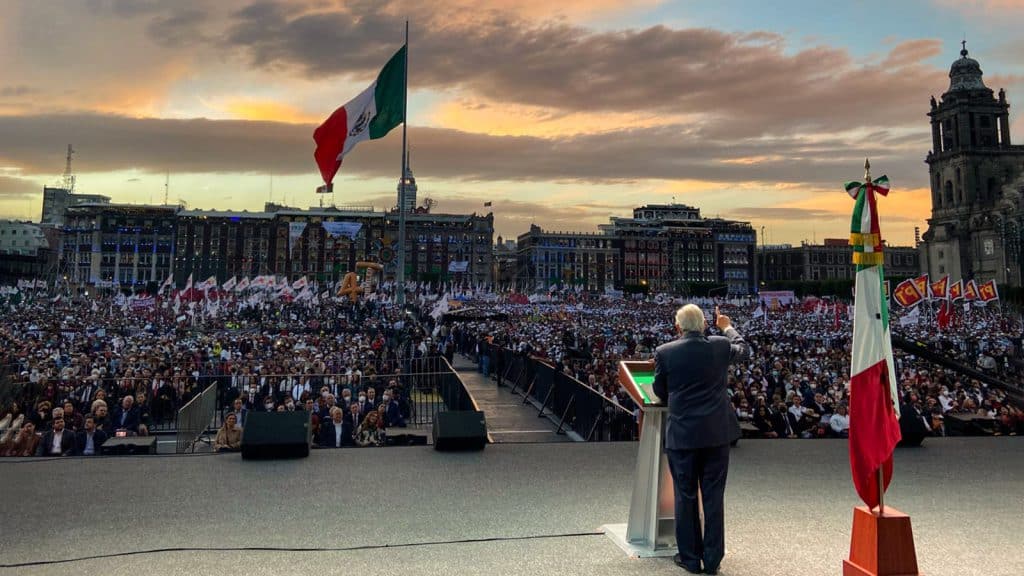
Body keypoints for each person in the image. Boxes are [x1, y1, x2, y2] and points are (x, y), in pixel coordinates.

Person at [653, 305, 748, 575]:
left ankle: (690, 558)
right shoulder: (719, 346)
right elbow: (743, 349)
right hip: (716, 435)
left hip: (683, 436)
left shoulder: (665, 352)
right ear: (705, 325)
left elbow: (661, 390)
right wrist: (727, 326)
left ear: (678, 327)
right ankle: (713, 559)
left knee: (685, 496)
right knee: (714, 497)